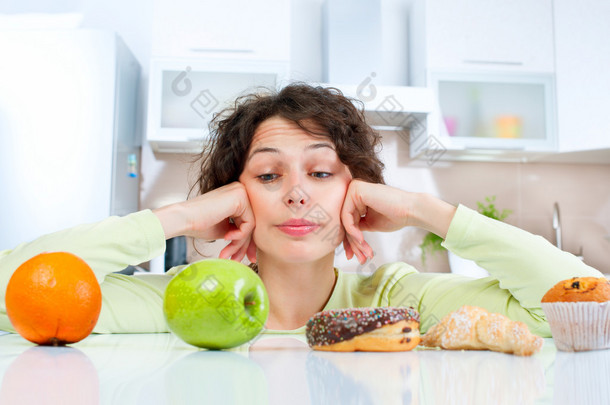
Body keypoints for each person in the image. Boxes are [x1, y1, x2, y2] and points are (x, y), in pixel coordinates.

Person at [0, 84, 602, 336]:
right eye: (267, 175)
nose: (296, 194)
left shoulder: (399, 300)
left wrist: (425, 209)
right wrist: (177, 218)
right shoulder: (179, 305)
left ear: (357, 197)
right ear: (234, 200)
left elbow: (584, 308)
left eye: (321, 173)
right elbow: (13, 298)